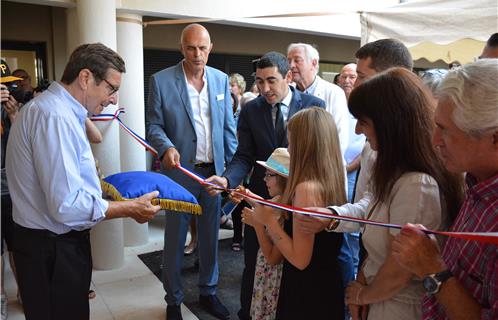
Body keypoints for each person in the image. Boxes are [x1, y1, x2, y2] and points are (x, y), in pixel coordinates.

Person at [5, 43, 161, 320]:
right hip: (52, 249)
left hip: (46, 245)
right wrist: (128, 209)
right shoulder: (54, 116)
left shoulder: (53, 111)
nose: (113, 99)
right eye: (111, 89)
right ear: (86, 78)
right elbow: (66, 206)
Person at [298, 68, 464, 320]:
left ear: (389, 123)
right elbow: (371, 207)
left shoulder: (416, 184)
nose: (357, 131)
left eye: (363, 122)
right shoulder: (393, 167)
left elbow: (400, 269)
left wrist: (362, 295)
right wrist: (332, 216)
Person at [205, 51, 325, 320]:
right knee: (255, 264)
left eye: (271, 80)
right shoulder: (250, 109)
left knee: (289, 267)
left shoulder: (314, 106)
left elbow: (318, 158)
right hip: (261, 200)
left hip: (297, 203)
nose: (265, 88)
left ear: (289, 76)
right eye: (259, 82)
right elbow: (244, 155)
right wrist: (227, 180)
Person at [392, 59, 498, 320]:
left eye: (445, 130)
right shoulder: (476, 183)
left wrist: (433, 269)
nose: (434, 141)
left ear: (494, 138)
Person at [146, 23, 237, 320]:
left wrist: (231, 172)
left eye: (202, 48)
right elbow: (154, 126)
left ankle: (208, 292)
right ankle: (173, 300)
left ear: (210, 48)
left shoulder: (221, 80)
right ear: (181, 48)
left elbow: (227, 129)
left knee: (211, 237)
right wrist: (166, 146)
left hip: (214, 173)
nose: (197, 54)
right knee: (175, 239)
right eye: (190, 48)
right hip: (181, 173)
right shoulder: (161, 81)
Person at [250, 107, 346, 319]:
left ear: (306, 146)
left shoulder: (306, 189)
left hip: (307, 291)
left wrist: (267, 221)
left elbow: (300, 259)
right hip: (327, 284)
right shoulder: (333, 178)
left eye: (292, 143)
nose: (289, 148)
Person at [233, 148, 290, 320]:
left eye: (269, 175)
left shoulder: (285, 211)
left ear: (282, 178)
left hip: (271, 275)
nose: (264, 180)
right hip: (265, 272)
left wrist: (257, 224)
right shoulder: (281, 200)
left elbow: (272, 258)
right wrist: (247, 194)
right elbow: (265, 206)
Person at [287, 42, 349, 156]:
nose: (291, 65)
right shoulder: (288, 93)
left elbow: (340, 138)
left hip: (324, 165)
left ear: (313, 63)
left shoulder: (334, 93)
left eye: (297, 60)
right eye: (289, 60)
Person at [1, 59, 23, 320]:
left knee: (17, 245)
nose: (5, 92)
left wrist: (14, 116)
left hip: (12, 188)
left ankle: (23, 290)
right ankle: (1, 298)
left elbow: (22, 144)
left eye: (7, 86)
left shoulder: (13, 110)